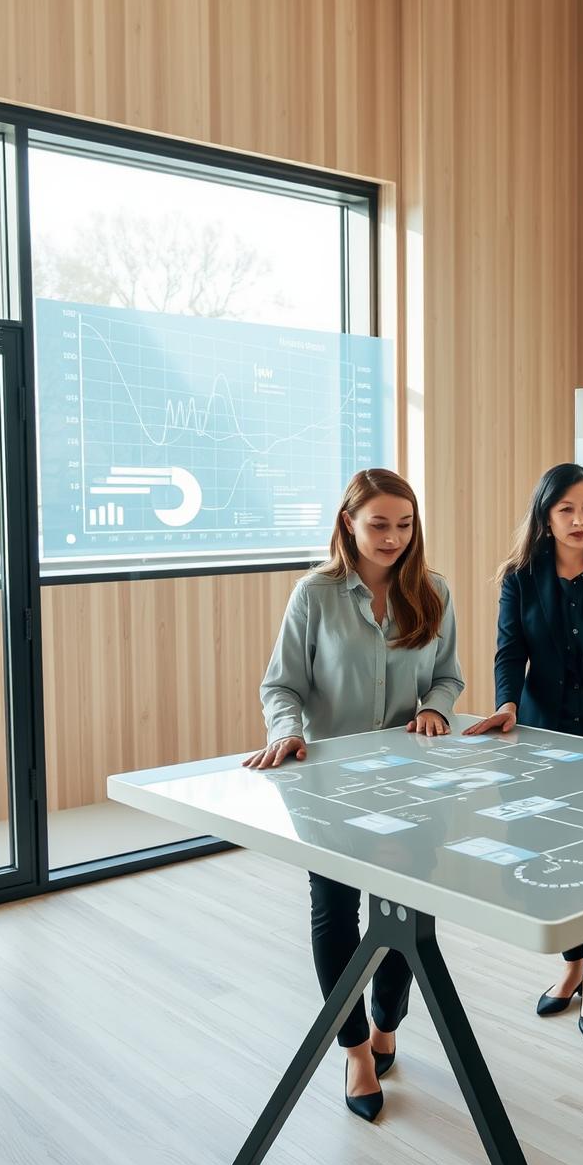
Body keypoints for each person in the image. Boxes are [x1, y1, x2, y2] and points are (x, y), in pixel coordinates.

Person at [244, 468, 464, 1123]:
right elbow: (280, 686)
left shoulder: (434, 592)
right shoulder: (313, 595)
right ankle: (357, 1049)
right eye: (378, 524)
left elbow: (448, 675)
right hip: (330, 787)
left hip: (411, 785)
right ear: (348, 522)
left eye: (404, 524)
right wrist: (285, 729)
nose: (393, 537)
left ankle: (389, 1019)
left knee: (404, 920)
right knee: (335, 916)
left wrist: (436, 709)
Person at [463, 463, 583, 1040]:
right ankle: (571, 966)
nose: (579, 520)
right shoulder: (520, 576)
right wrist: (505, 705)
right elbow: (509, 652)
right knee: (551, 857)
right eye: (566, 510)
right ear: (545, 518)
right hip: (541, 740)